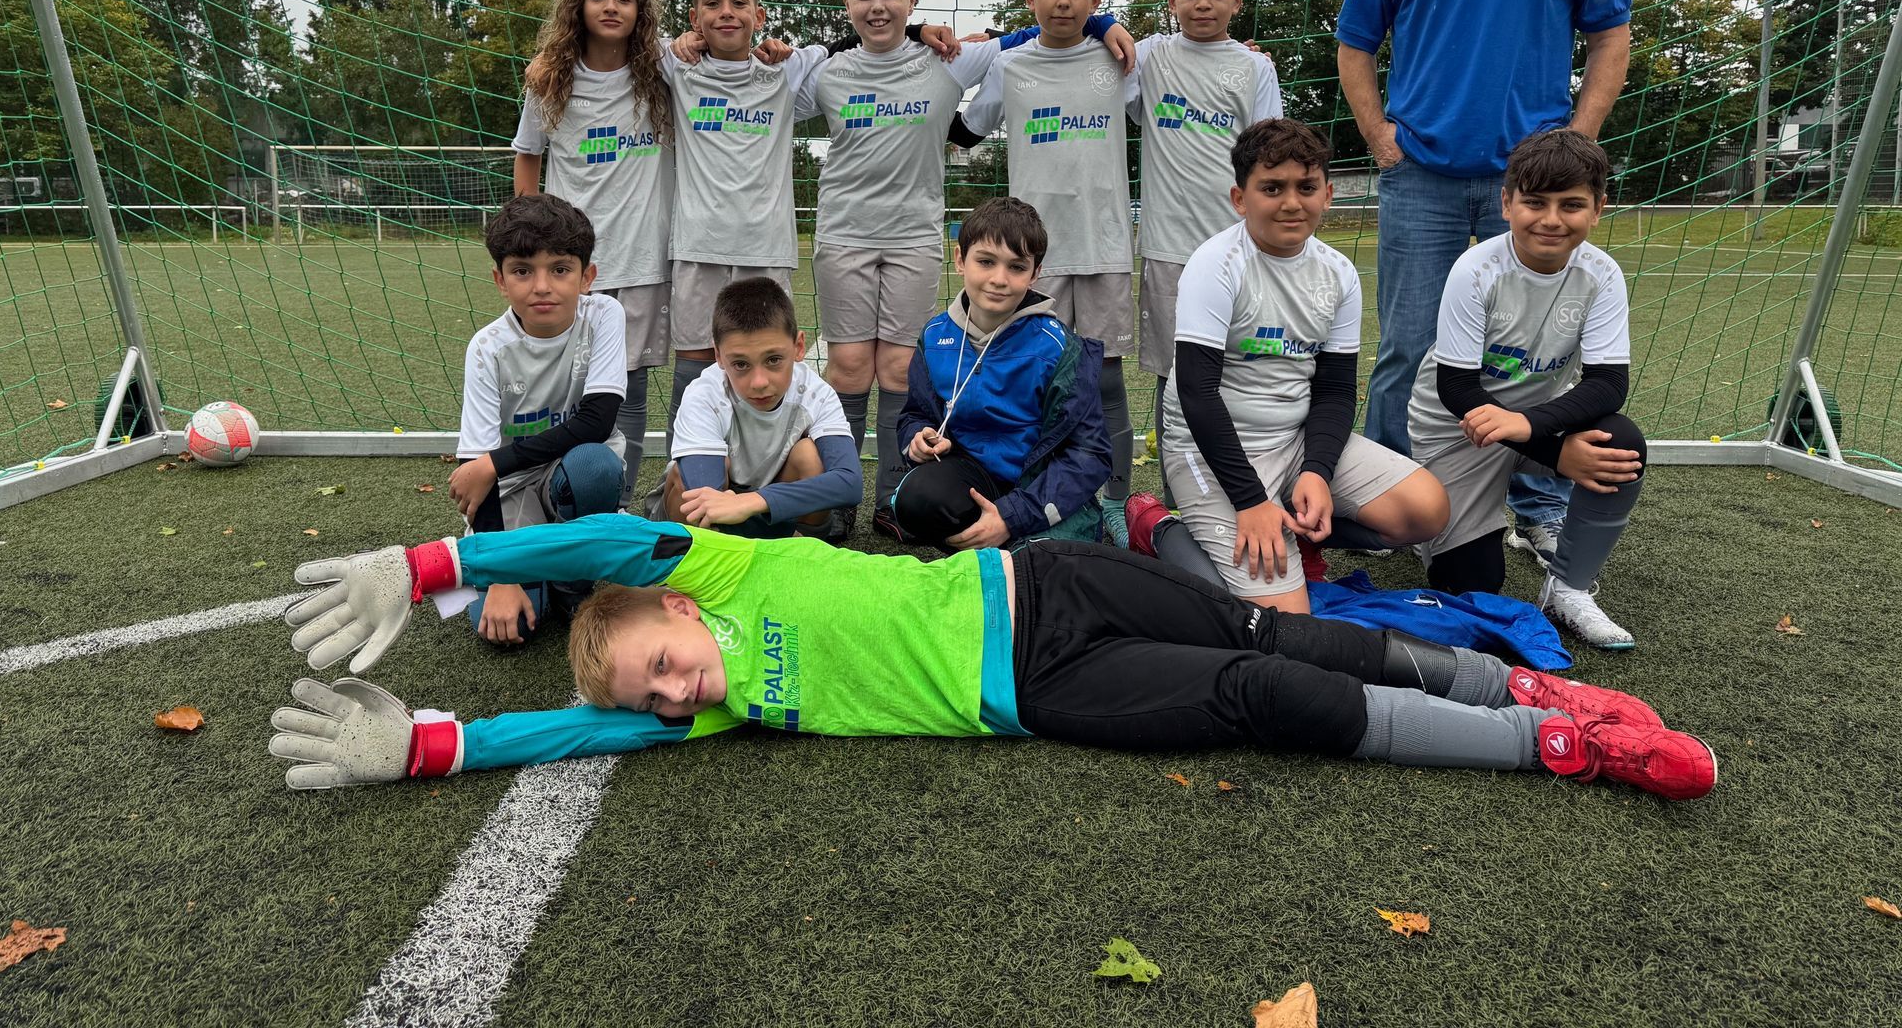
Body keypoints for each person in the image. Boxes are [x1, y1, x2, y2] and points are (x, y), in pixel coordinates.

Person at [270, 516, 1717, 802]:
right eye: (654, 696)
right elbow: (567, 734)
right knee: (1258, 694)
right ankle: (1554, 745)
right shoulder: (713, 714)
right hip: (1045, 693)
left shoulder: (717, 564)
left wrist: (435, 565)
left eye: (658, 661)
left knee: (1277, 628)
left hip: (1046, 578)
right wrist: (433, 745)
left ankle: (1518, 682)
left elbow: (592, 529)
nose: (667, 688)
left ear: (674, 607)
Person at [1336, 0, 1632, 566]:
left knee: (1544, 357)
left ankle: (1537, 504)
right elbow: (1355, 42)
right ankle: (1391, 503)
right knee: (1407, 347)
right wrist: (1379, 137)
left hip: (1531, 188)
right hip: (1422, 176)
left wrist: (1577, 141)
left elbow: (1611, 36)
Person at [792, 0, 1132, 510]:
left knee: (899, 365)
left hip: (915, 235)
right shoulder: (827, 70)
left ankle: (892, 498)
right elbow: (775, 78)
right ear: (845, 2)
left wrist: (1104, 23)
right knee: (847, 366)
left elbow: (1033, 30)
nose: (878, 6)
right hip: (843, 234)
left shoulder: (949, 62)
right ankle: (837, 499)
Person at [1123, 121, 1448, 613]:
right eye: (1272, 188)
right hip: (1210, 449)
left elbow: (1336, 390)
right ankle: (1157, 528)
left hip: (1294, 442)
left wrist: (1317, 471)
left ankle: (1294, 532)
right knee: (1284, 620)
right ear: (1240, 198)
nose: (1291, 202)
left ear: (1327, 194)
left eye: (1306, 187)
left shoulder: (1338, 273)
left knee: (1425, 511)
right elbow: (1196, 392)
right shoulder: (1215, 265)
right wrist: (1251, 501)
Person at [1406, 130, 1646, 650]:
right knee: (1470, 588)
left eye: (1571, 205)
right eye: (1535, 202)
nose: (1551, 219)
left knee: (1620, 446)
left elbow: (1609, 384)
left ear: (1598, 208)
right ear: (1506, 203)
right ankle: (1437, 522)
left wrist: (1531, 426)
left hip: (1533, 421)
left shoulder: (1601, 274)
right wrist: (1556, 452)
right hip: (1460, 430)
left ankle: (1568, 589)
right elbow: (1455, 388)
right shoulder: (1476, 270)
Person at [951, 0, 1141, 549]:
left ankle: (1115, 502)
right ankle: (1035, 499)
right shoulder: (1009, 65)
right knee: (1038, 380)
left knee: (1105, 380)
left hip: (1105, 245)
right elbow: (963, 130)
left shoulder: (1120, 60)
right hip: (1031, 259)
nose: (1064, 1)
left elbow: (1175, 87)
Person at [1120, 0, 1282, 490]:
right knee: (1175, 379)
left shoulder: (1255, 68)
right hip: (1168, 250)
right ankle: (1175, 499)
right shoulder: (1147, 57)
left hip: (1239, 251)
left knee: (1240, 372)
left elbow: (1269, 157)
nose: (1203, 3)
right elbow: (1081, 44)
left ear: (1238, 0)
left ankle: (1245, 488)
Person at [512, 0, 672, 504]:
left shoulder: (662, 71)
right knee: (566, 383)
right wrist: (530, 234)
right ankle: (559, 494)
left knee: (629, 387)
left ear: (640, 8)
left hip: (643, 256)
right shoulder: (550, 80)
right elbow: (528, 154)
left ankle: (616, 503)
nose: (610, 6)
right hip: (569, 264)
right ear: (577, 5)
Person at [445, 193, 627, 647]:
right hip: (511, 493)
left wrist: (493, 462)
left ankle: (571, 583)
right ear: (500, 280)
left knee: (596, 464)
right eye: (523, 271)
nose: (542, 286)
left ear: (587, 277)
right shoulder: (487, 348)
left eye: (560, 269)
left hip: (569, 473)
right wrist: (502, 574)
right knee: (508, 630)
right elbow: (475, 474)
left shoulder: (604, 315)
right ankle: (534, 563)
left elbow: (597, 421)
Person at [880, 197, 1110, 549]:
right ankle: (991, 543)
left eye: (1016, 267)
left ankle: (1012, 542)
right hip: (974, 481)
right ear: (960, 260)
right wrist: (918, 438)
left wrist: (1012, 515)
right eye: (986, 261)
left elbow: (1089, 453)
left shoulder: (1060, 348)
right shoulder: (935, 337)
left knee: (1049, 561)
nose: (999, 279)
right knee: (916, 500)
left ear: (1035, 273)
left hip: (1040, 486)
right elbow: (916, 414)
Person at [659, 0, 825, 442]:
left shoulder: (784, 71)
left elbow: (833, 48)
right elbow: (624, 42)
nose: (726, 12)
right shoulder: (677, 66)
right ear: (695, 17)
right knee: (695, 361)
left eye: (739, 2)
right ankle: (687, 466)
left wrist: (783, 49)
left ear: (760, 14)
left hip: (764, 248)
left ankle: (763, 464)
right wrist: (675, 43)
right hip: (698, 246)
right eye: (712, 4)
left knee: (765, 361)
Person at [660, 277, 861, 541]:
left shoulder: (816, 394)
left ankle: (802, 550)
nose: (759, 382)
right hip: (717, 520)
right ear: (718, 356)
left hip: (769, 511)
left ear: (798, 346)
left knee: (810, 456)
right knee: (686, 480)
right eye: (741, 364)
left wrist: (753, 501)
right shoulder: (704, 395)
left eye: (773, 360)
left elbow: (849, 483)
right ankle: (696, 558)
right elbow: (707, 498)